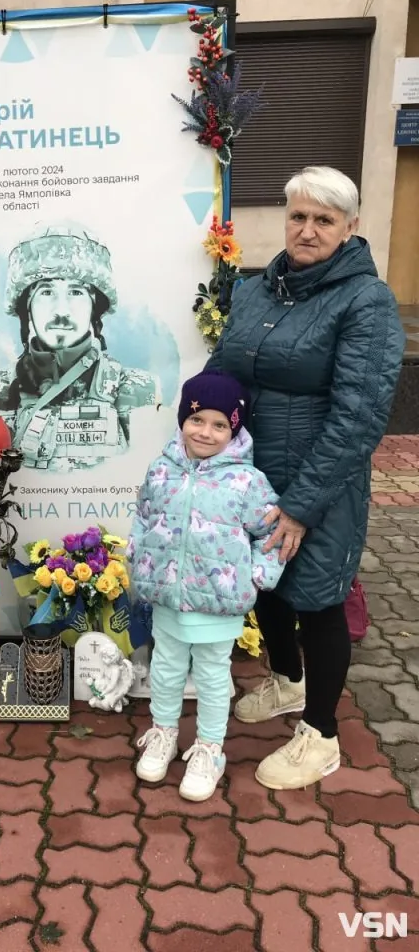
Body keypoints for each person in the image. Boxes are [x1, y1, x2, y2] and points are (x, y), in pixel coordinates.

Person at [208, 166, 405, 790]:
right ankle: (288, 682)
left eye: (324, 219)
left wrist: (300, 506)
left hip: (321, 482)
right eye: (298, 216)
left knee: (317, 598)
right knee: (265, 587)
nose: (308, 230)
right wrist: (198, 432)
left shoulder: (365, 302)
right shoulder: (257, 290)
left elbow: (359, 416)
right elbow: (224, 369)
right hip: (252, 475)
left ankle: (321, 735)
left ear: (350, 227)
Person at [128, 371, 284, 801]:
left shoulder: (247, 482)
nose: (205, 432)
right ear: (183, 418)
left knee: (213, 675)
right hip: (167, 595)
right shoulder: (162, 469)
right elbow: (144, 516)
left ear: (234, 429)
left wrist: (258, 576)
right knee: (166, 667)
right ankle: (163, 733)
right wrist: (137, 557)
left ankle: (209, 750)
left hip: (219, 601)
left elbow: (270, 535)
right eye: (197, 419)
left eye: (219, 424)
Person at [0, 227, 158, 471]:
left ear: (94, 307)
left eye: (76, 292)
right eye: (46, 291)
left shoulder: (136, 389)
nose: (61, 310)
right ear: (26, 307)